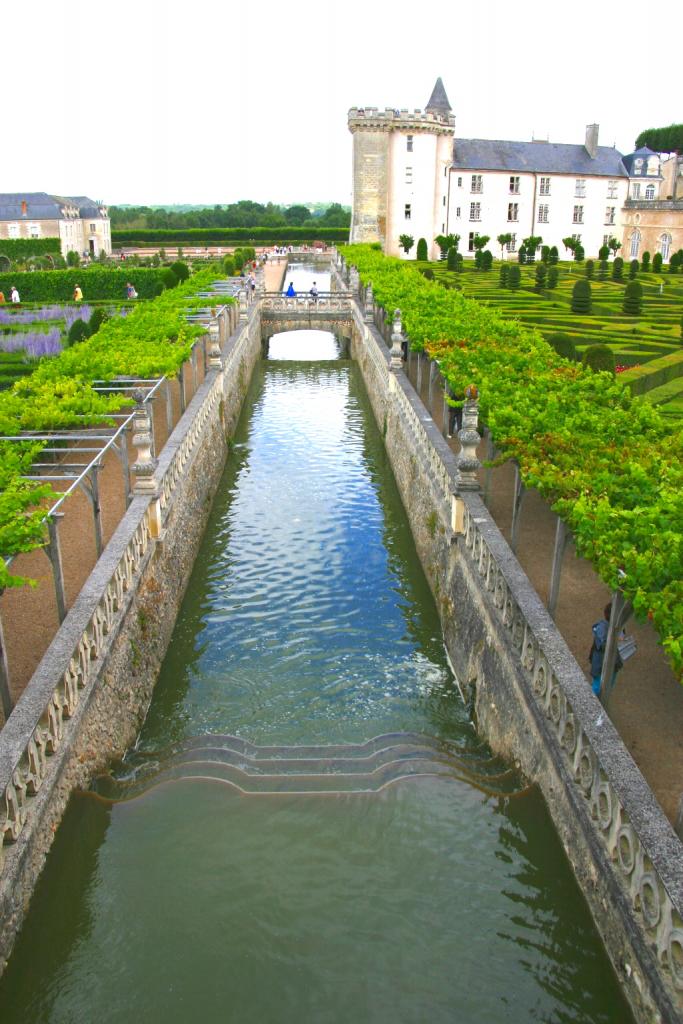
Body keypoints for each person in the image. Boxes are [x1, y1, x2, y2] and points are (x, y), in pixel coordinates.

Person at [589, 603, 623, 698]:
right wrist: (616, 640)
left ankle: (601, 700)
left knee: (608, 685)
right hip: (600, 662)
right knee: (597, 687)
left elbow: (621, 635)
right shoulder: (602, 628)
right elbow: (602, 644)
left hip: (612, 662)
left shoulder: (616, 628)